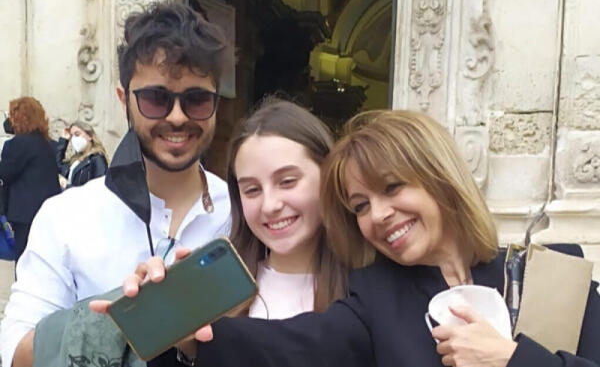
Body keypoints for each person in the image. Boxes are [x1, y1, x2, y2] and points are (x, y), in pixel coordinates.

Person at [96, 109, 600, 367]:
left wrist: (511, 359)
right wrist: (177, 322)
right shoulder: (377, 295)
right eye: (360, 205)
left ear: (441, 177)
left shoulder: (557, 278)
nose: (378, 215)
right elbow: (287, 350)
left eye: (393, 188)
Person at [0, 2, 232, 367]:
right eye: (156, 98)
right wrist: (125, 318)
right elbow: (15, 351)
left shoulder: (245, 214)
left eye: (197, 99)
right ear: (124, 99)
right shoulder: (66, 216)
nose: (177, 117)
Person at [225, 96, 347, 319]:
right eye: (252, 190)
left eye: (287, 181)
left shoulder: (370, 290)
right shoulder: (221, 295)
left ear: (328, 175)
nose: (270, 205)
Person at [0, 97, 61, 263]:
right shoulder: (48, 143)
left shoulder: (17, 144)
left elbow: (5, 174)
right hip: (48, 211)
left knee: (24, 262)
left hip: (24, 214)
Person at [56, 120, 109, 188]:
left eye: (77, 134)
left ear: (89, 136)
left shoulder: (97, 158)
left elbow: (99, 187)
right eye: (72, 136)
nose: (74, 139)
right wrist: (64, 140)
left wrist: (67, 186)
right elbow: (58, 165)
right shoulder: (75, 159)